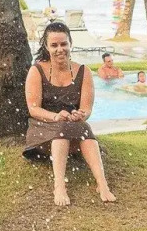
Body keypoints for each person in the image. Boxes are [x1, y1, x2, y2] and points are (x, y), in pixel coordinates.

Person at [22, 21, 116, 208]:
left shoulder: (83, 71)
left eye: (63, 44)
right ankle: (59, 185)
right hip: (44, 127)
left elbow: (87, 109)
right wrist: (55, 116)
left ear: (70, 43)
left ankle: (102, 183)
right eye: (54, 45)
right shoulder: (37, 70)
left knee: (84, 127)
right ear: (46, 47)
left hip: (72, 127)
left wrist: (80, 115)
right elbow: (33, 109)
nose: (59, 49)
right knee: (62, 129)